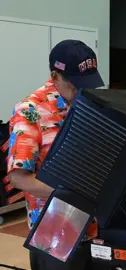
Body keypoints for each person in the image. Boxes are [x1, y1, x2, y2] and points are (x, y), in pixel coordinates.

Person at [6, 39, 105, 270]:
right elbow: (19, 177)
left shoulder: (90, 104)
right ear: (55, 76)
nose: (83, 90)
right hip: (54, 235)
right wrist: (73, 195)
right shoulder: (30, 111)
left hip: (95, 227)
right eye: (76, 84)